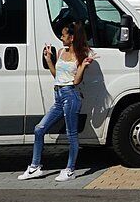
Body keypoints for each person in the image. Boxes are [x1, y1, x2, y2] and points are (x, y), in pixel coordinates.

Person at [21, 19, 95, 182]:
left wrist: (83, 66)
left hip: (71, 96)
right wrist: (49, 60)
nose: (61, 38)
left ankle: (70, 170)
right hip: (59, 96)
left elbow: (76, 81)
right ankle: (35, 167)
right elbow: (57, 76)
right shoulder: (61, 52)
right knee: (39, 129)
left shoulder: (81, 55)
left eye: (63, 35)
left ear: (72, 37)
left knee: (71, 134)